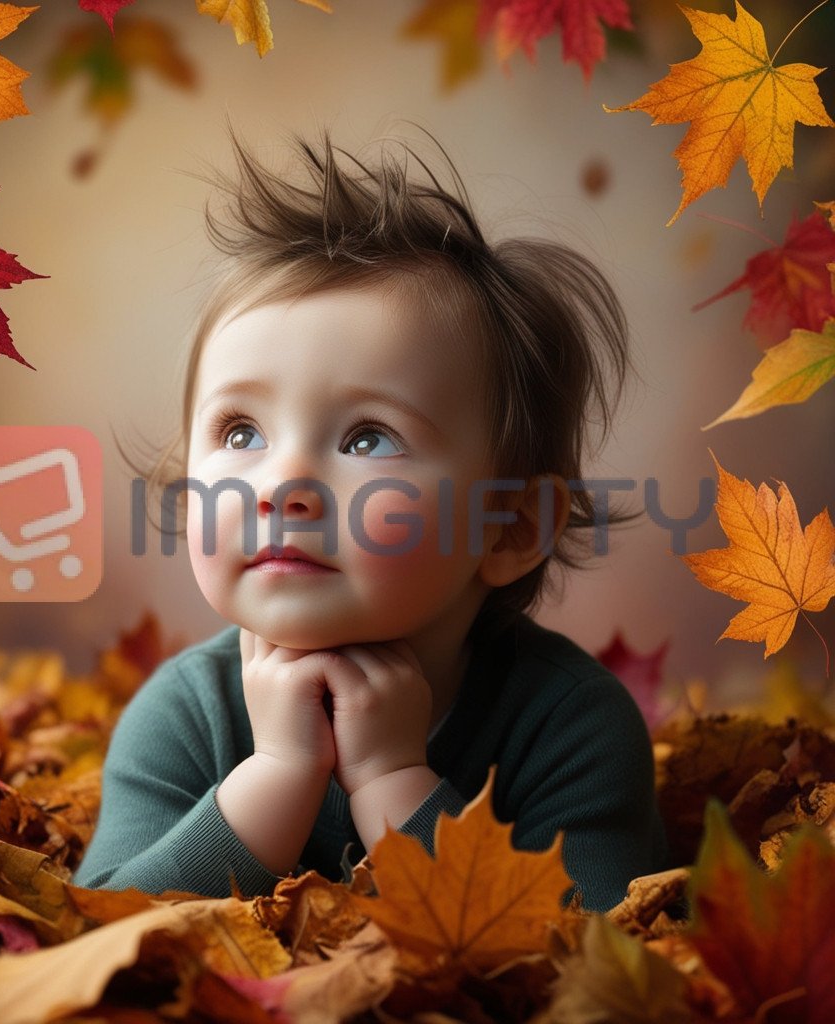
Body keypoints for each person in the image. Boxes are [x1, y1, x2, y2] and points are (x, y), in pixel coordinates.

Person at [72, 122, 671, 913]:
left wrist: (397, 786)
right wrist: (276, 779)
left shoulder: (570, 725)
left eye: (367, 437)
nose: (282, 485)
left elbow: (609, 953)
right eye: (240, 432)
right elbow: (93, 938)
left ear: (511, 526)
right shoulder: (185, 713)